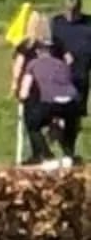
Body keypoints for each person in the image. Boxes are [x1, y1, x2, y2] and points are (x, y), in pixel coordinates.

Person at [15, 20, 81, 170]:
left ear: (38, 52)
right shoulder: (61, 64)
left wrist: (21, 96)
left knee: (33, 124)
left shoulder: (33, 64)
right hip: (72, 101)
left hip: (50, 101)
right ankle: (68, 154)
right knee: (63, 123)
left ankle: (45, 155)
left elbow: (24, 92)